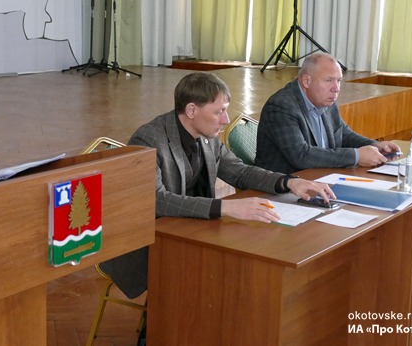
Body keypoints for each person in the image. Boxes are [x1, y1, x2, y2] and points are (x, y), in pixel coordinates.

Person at [99, 72, 335, 302]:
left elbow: (240, 171)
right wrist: (226, 208)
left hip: (191, 230)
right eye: (219, 111)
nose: (225, 119)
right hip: (150, 242)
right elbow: (156, 200)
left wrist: (288, 181)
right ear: (191, 110)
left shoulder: (208, 135)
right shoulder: (149, 139)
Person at [255, 52, 401, 174]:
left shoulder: (326, 100)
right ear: (306, 81)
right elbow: (301, 155)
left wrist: (375, 145)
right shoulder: (281, 106)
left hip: (320, 178)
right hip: (283, 187)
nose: (336, 88)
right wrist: (356, 156)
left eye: (339, 81)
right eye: (329, 80)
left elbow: (343, 134)